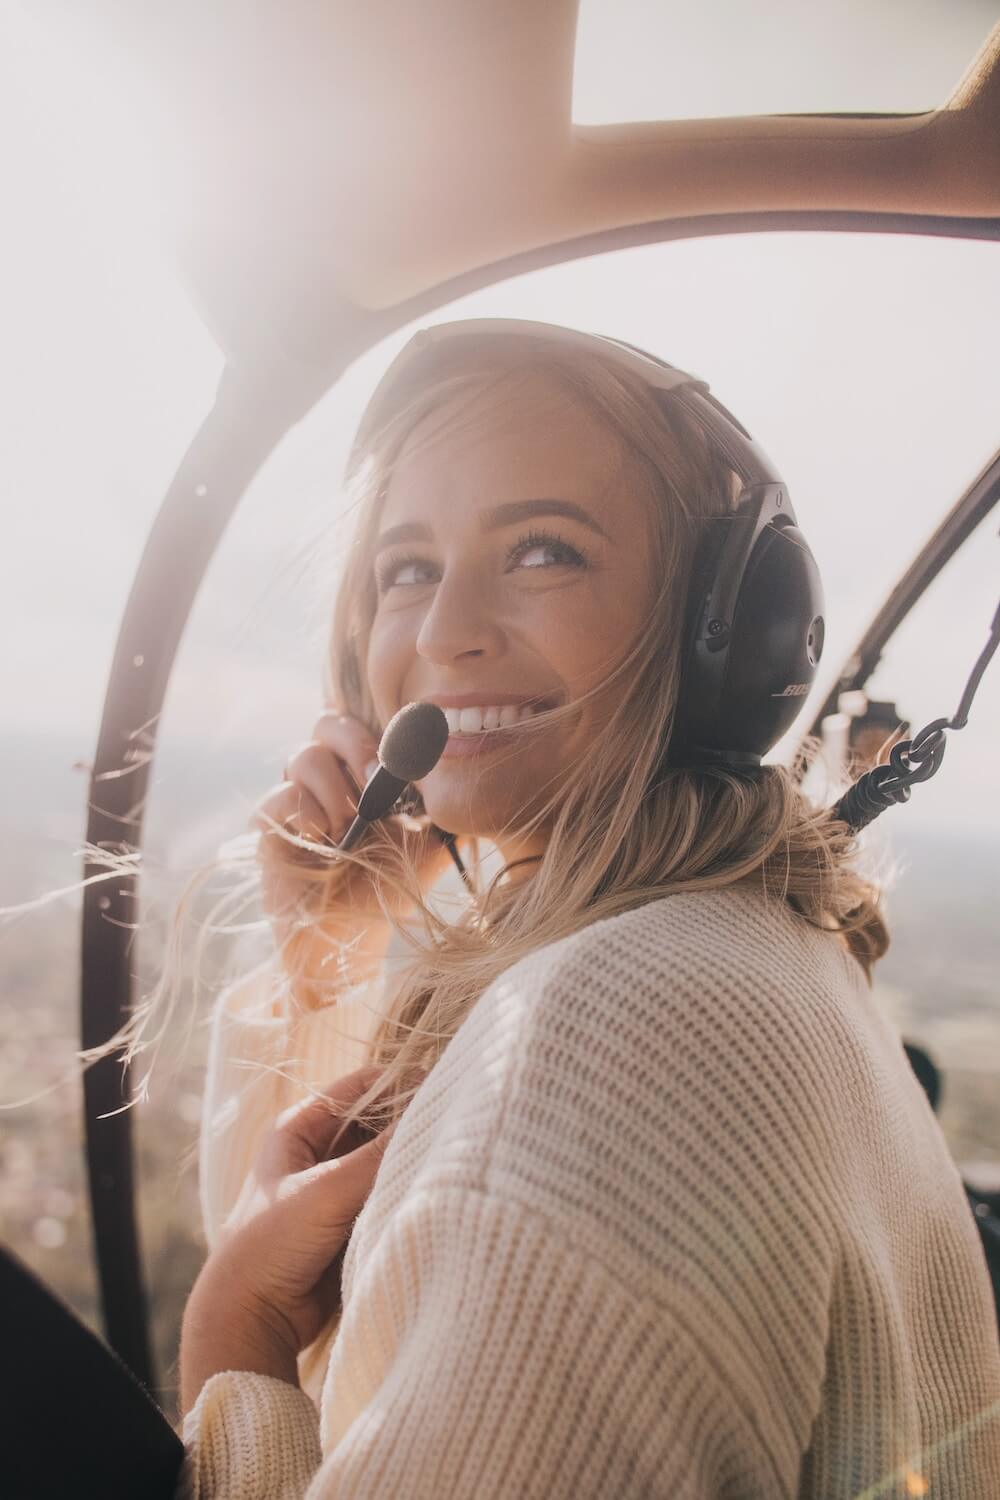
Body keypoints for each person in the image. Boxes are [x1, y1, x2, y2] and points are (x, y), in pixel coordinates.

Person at [176, 320, 1000, 1497]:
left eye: (544, 551)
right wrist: (325, 964)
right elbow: (374, 1347)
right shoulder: (744, 939)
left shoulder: (601, 1036)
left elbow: (312, 1345)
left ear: (727, 630)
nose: (445, 628)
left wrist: (231, 1349)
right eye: (405, 568)